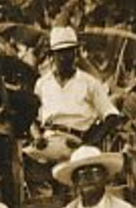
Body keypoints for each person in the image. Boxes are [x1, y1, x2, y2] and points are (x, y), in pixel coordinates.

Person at [27, 27, 121, 166]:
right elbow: (31, 117)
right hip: (48, 141)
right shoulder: (43, 84)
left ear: (76, 53)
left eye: (69, 51)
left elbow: (112, 116)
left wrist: (90, 142)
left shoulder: (89, 83)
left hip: (75, 141)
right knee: (22, 160)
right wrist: (37, 136)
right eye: (60, 53)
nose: (65, 57)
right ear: (52, 55)